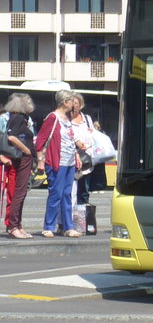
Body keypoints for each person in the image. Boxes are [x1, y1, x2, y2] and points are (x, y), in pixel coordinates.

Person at [34, 90, 82, 238]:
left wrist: (76, 156)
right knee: (56, 194)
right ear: (64, 102)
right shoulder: (52, 118)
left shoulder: (67, 118)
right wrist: (40, 161)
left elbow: (70, 140)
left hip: (69, 162)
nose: (73, 104)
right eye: (71, 101)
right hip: (56, 161)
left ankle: (68, 227)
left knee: (67, 195)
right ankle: (48, 226)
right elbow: (40, 140)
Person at [2, 93, 35, 239]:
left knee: (21, 192)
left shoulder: (18, 118)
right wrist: (26, 150)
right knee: (19, 192)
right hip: (22, 158)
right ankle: (13, 226)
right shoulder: (19, 118)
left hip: (23, 158)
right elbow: (11, 137)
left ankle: (17, 225)